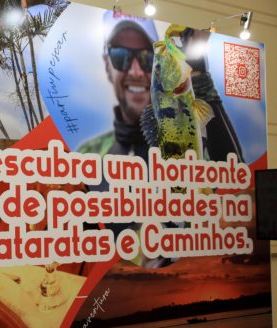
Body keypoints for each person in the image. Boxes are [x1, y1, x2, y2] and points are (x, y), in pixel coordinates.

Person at [78, 13, 244, 267]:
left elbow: (236, 176)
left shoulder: (201, 142)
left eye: (147, 58)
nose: (135, 70)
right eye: (121, 57)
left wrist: (198, 72)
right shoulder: (86, 155)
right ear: (106, 65)